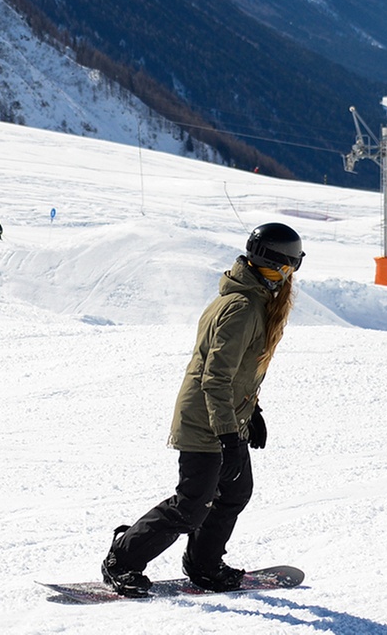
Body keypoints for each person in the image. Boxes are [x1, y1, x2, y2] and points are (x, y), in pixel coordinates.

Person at [101, 223, 304, 597]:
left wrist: (252, 413)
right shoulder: (242, 307)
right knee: (192, 504)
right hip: (205, 421)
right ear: (269, 264)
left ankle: (204, 564)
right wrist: (228, 435)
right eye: (287, 267)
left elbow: (240, 372)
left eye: (293, 268)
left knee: (234, 492)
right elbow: (215, 378)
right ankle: (123, 558)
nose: (289, 276)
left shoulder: (253, 300)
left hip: (226, 417)